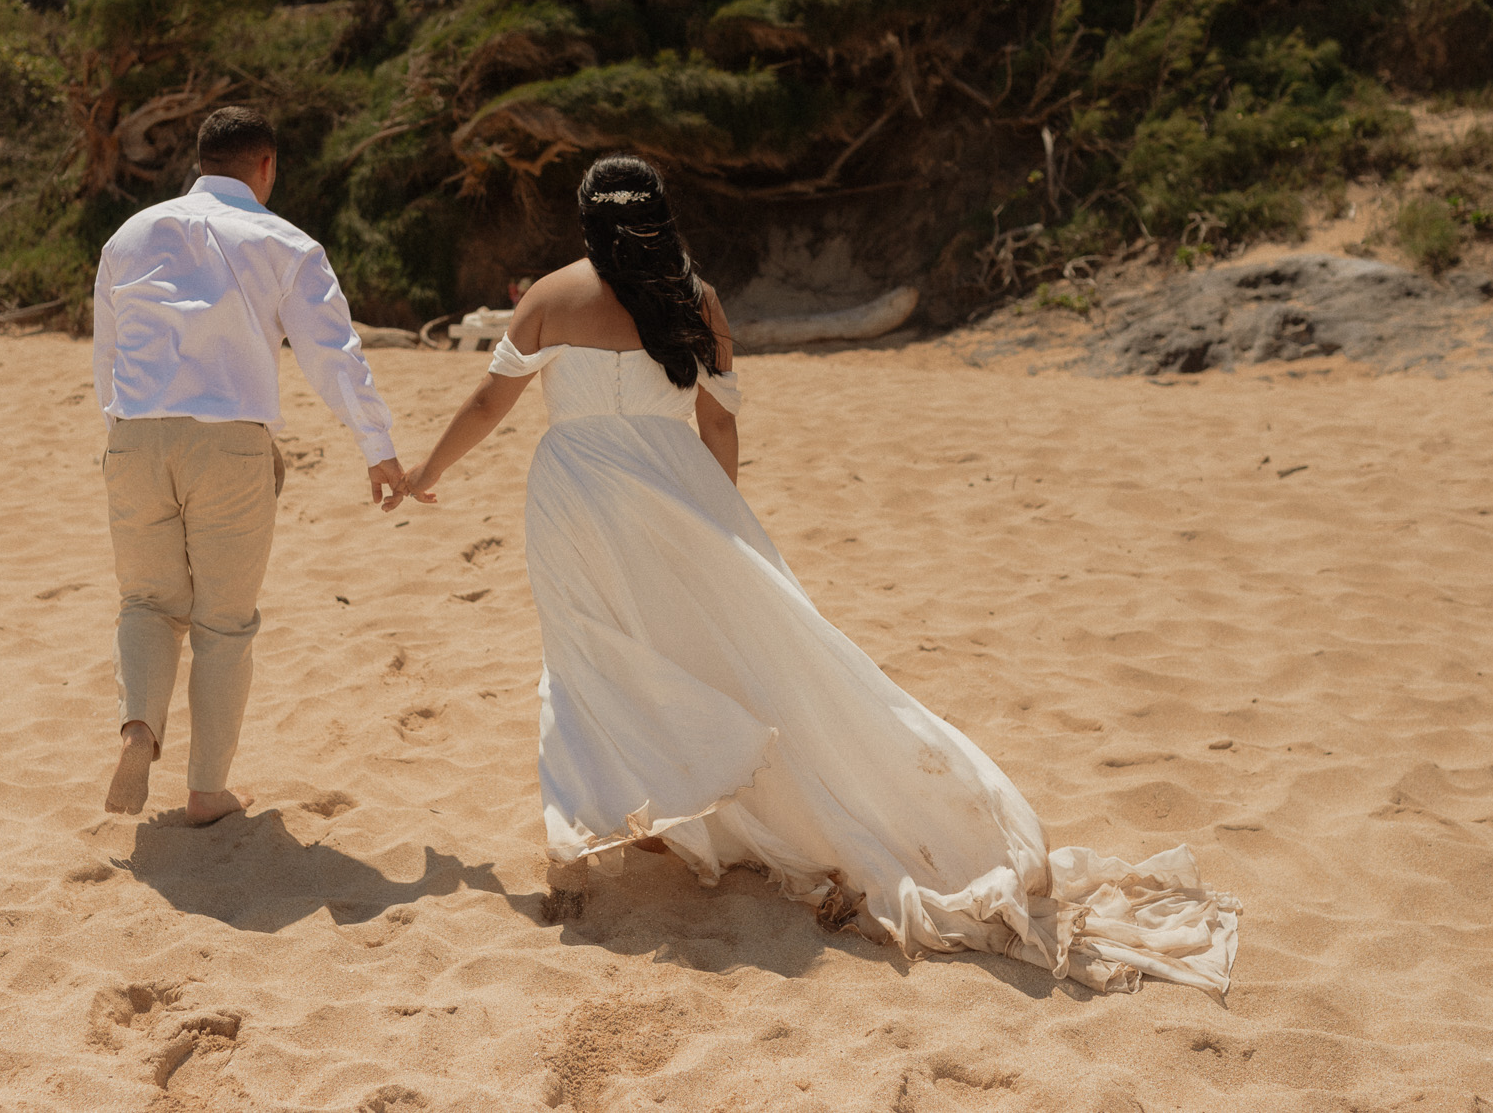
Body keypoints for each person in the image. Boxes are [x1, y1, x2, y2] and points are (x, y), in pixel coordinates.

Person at [390, 154, 1241, 994]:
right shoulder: (697, 299)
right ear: (660, 215)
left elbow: (489, 404)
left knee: (587, 654)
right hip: (678, 498)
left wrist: (427, 472)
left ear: (587, 219)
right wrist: (715, 518)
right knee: (692, 648)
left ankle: (575, 852)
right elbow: (719, 428)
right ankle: (647, 821)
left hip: (575, 494)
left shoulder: (547, 295)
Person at [95, 106, 406, 826]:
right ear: (265, 166)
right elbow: (333, 356)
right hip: (230, 442)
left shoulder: (130, 235)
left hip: (136, 436)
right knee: (223, 623)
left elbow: (106, 353)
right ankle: (206, 790)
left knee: (146, 601)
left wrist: (116, 436)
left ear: (200, 160)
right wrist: (376, 446)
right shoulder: (284, 241)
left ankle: (139, 728)